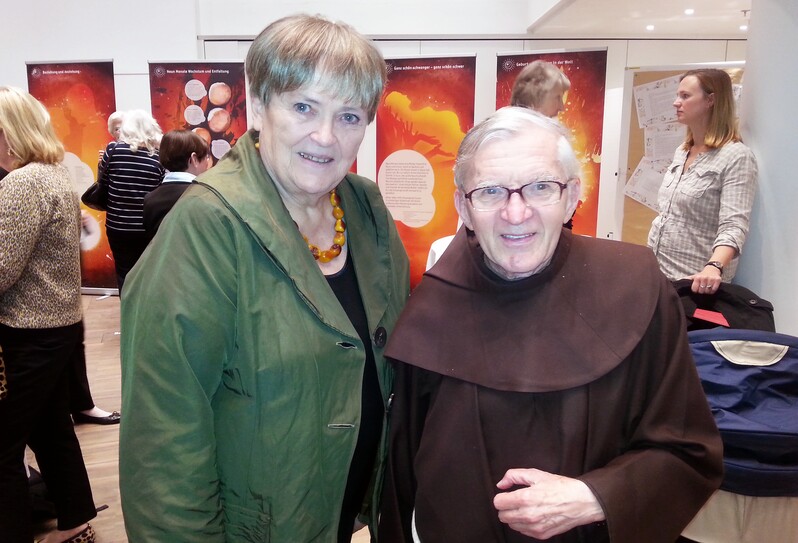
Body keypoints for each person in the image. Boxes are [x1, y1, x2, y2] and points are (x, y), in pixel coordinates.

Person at [119, 14, 410, 543]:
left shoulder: (365, 208)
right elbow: (163, 440)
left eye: (349, 116)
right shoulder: (207, 228)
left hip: (340, 515)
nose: (325, 136)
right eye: (304, 107)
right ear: (258, 106)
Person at [378, 107, 724, 543]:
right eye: (490, 191)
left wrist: (597, 496)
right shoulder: (433, 305)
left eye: (541, 187)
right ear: (463, 206)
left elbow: (689, 451)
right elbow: (399, 478)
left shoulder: (636, 288)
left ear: (572, 195)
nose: (515, 213)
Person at [0, 86, 97, 543]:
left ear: (7, 132)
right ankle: (76, 523)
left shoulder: (21, 184)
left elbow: (2, 268)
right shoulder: (53, 174)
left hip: (28, 331)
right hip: (57, 326)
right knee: (52, 430)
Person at [648, 68, 758, 295]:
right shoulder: (682, 150)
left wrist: (714, 266)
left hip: (695, 285)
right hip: (658, 276)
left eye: (685, 96)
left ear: (710, 100)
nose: (676, 102)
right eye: (677, 95)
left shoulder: (736, 156)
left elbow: (734, 225)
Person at [98, 108, 164, 292]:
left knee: (124, 273)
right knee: (148, 273)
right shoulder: (159, 157)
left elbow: (103, 182)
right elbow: (160, 191)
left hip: (118, 226)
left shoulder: (113, 150)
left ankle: (128, 308)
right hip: (147, 227)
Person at [142, 129, 212, 240]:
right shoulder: (205, 197)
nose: (207, 163)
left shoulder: (149, 199)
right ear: (194, 159)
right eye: (206, 157)